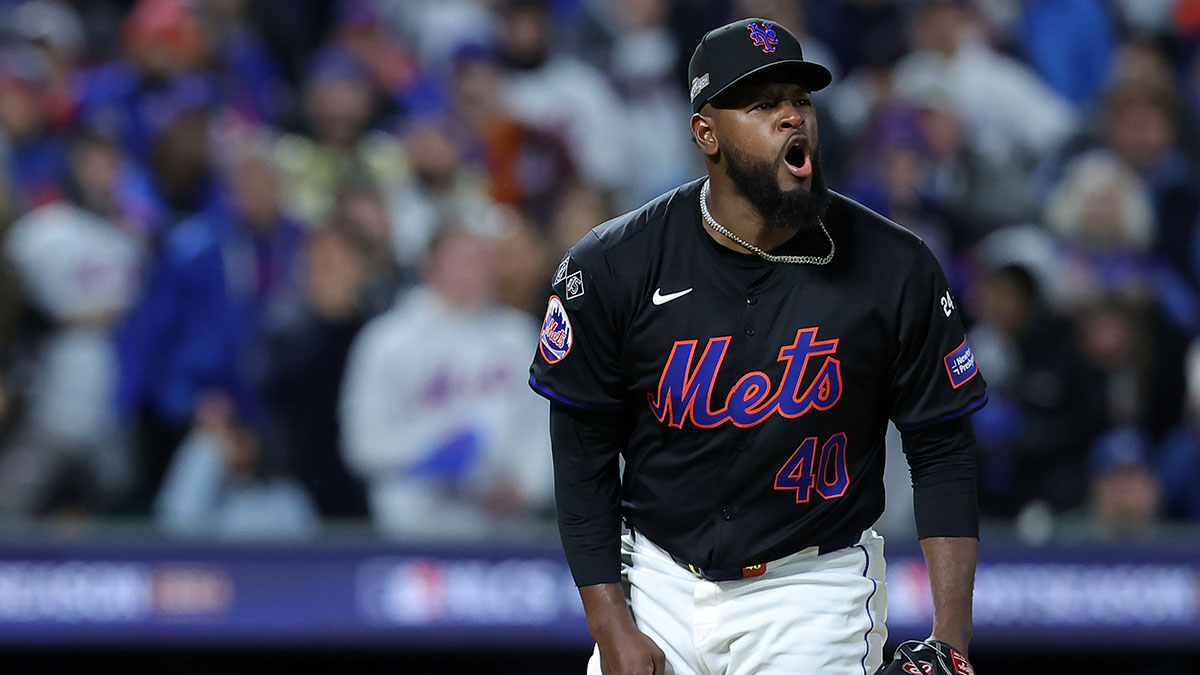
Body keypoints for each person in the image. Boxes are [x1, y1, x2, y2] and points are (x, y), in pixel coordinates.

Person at [529, 18, 986, 675]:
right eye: (762, 102)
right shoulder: (613, 264)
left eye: (799, 100)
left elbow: (941, 445)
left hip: (810, 584)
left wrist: (952, 637)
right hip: (657, 571)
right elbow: (581, 457)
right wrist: (611, 624)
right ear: (706, 133)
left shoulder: (893, 265)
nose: (791, 117)